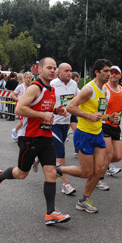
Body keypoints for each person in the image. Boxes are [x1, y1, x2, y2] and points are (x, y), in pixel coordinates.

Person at [0, 57, 71, 226]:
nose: (52, 70)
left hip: (46, 137)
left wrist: (55, 110)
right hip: (30, 137)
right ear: (39, 70)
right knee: (21, 173)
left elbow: (43, 108)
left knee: (51, 173)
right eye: (49, 67)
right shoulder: (35, 88)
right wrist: (42, 115)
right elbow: (19, 108)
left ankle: (51, 213)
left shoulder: (51, 89)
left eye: (54, 68)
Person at [66, 59, 117, 213]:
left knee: (100, 170)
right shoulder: (89, 89)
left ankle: (83, 200)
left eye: (110, 71)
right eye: (106, 71)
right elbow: (70, 107)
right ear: (97, 72)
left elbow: (98, 113)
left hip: (97, 133)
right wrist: (88, 116)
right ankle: (59, 169)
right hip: (84, 134)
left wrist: (109, 117)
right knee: (86, 172)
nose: (109, 74)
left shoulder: (105, 90)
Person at [51, 63, 80, 195]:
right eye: (66, 71)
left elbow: (80, 97)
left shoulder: (73, 85)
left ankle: (37, 158)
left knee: (54, 150)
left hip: (65, 123)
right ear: (59, 72)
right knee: (60, 152)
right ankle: (65, 184)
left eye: (71, 70)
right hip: (53, 123)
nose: (69, 73)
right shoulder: (52, 84)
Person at [100, 65, 122, 188]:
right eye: (111, 72)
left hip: (115, 125)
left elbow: (119, 105)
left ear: (120, 75)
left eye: (116, 73)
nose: (113, 75)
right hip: (104, 124)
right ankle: (100, 179)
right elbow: (100, 108)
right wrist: (108, 116)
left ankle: (99, 163)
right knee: (108, 154)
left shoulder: (120, 89)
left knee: (117, 156)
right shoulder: (104, 88)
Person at [11, 72, 33, 142]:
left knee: (26, 122)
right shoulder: (20, 87)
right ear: (24, 78)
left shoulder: (31, 87)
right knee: (23, 122)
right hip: (20, 107)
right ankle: (15, 131)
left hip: (28, 107)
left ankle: (20, 134)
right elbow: (13, 95)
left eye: (30, 78)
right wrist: (20, 100)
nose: (28, 79)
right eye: (27, 78)